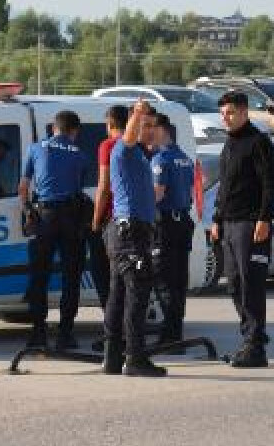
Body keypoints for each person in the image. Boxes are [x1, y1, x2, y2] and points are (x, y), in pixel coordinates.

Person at [211, 90, 274, 368]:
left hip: (251, 225)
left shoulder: (258, 142)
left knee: (251, 285)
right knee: (234, 285)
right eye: (223, 113)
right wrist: (216, 218)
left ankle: (255, 346)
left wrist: (265, 218)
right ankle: (249, 339)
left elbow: (270, 185)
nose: (225, 118)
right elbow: (225, 186)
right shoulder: (229, 144)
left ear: (244, 112)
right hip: (228, 224)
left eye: (230, 113)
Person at [103, 99, 167, 378]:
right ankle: (135, 359)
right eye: (146, 125)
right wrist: (138, 113)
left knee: (118, 296)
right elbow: (128, 136)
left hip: (128, 230)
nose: (151, 130)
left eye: (154, 126)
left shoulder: (140, 155)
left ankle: (112, 357)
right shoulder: (125, 150)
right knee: (137, 296)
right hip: (130, 233)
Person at [19, 110, 87, 350]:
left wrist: (28, 211)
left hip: (44, 216)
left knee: (39, 276)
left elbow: (23, 187)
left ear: (53, 128)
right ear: (74, 131)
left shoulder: (36, 149)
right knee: (71, 276)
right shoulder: (80, 153)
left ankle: (38, 332)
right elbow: (78, 184)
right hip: (70, 217)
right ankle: (65, 333)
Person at [150, 112, 195, 347]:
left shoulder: (160, 160)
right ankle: (176, 333)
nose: (147, 134)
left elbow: (157, 194)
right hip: (183, 223)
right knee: (178, 282)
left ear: (162, 130)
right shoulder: (184, 158)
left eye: (151, 129)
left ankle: (168, 337)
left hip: (165, 224)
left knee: (163, 281)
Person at [89, 105, 130, 309]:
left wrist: (95, 221)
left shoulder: (108, 145)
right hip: (136, 218)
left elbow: (104, 187)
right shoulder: (137, 145)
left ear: (110, 124)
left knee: (106, 275)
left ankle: (113, 330)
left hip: (113, 218)